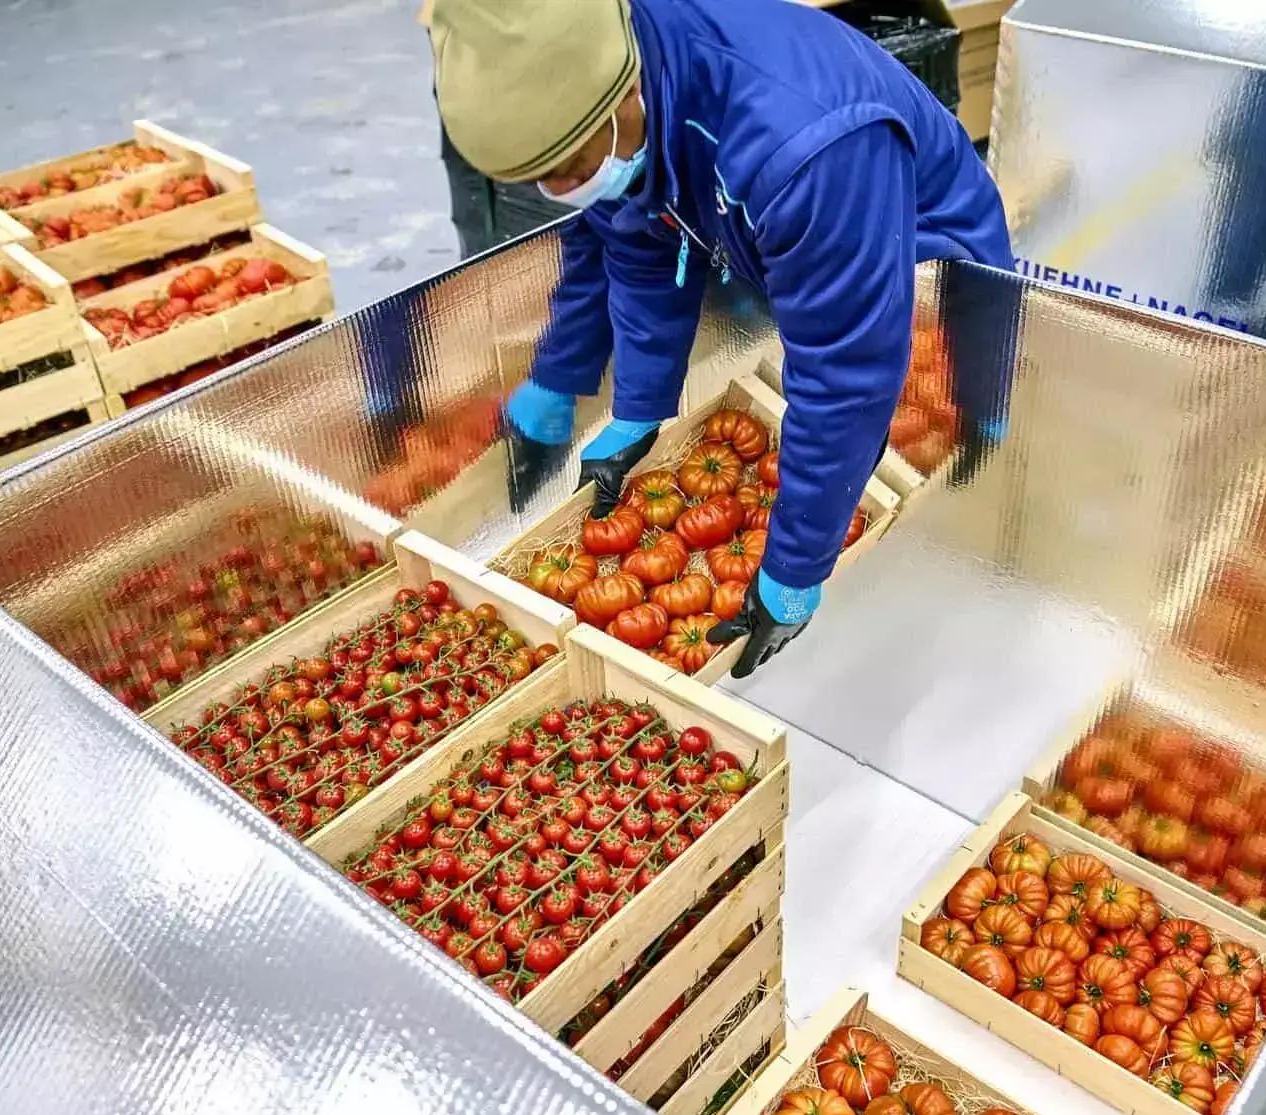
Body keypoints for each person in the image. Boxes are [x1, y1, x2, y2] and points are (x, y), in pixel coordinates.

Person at [429, 0, 1014, 677]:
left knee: (952, 462)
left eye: (571, 163)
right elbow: (640, 241)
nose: (559, 188)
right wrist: (639, 408)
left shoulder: (805, 148)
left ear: (625, 91)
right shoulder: (626, 71)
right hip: (791, 234)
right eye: (538, 174)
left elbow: (847, 377)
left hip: (925, 260)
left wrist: (794, 567)